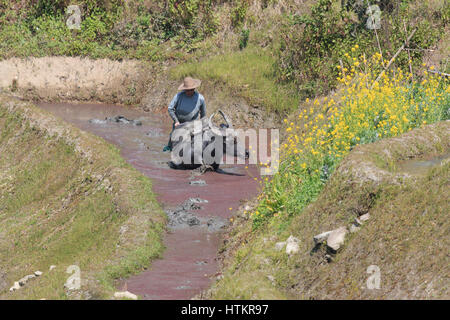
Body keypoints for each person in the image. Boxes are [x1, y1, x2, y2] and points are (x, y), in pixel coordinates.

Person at [163, 77, 206, 152]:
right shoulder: (179, 96)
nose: (189, 92)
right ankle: (170, 148)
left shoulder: (200, 98)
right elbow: (170, 108)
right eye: (187, 90)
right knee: (173, 140)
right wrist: (176, 121)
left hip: (192, 124)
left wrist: (203, 125)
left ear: (194, 89)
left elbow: (203, 114)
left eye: (191, 90)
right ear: (184, 90)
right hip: (179, 122)